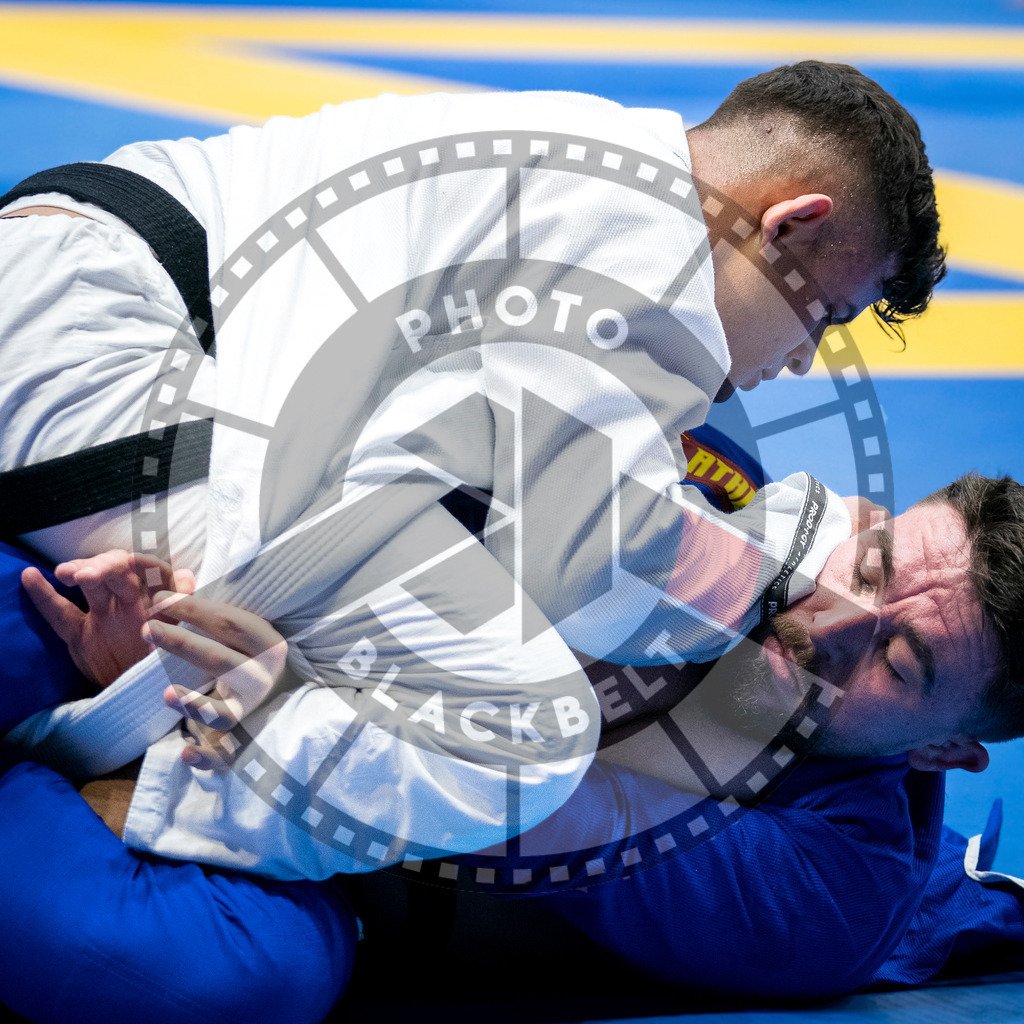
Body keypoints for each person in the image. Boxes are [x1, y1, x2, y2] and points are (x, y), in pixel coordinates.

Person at [0, 61, 945, 878]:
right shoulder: (641, 242)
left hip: (105, 309)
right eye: (826, 314)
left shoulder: (592, 165)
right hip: (100, 346)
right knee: (529, 730)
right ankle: (117, 793)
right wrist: (802, 556)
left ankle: (124, 737)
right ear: (787, 225)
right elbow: (592, 575)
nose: (798, 363)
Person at [3, 447, 1024, 1022]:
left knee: (225, 983)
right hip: (279, 637)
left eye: (899, 661)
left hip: (330, 865)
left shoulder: (828, 889)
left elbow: (497, 800)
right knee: (40, 611)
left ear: (941, 750)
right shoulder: (724, 511)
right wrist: (197, 587)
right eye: (876, 564)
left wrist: (167, 680)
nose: (833, 622)